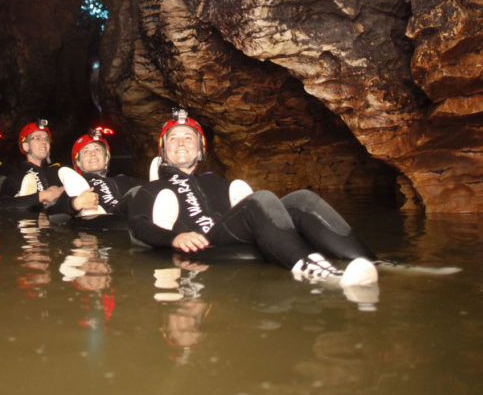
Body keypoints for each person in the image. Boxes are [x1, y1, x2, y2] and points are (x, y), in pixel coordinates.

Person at [126, 108, 379, 290]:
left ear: (200, 149)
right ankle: (316, 271)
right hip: (205, 247)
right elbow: (138, 226)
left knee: (302, 199)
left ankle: (370, 261)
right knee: (262, 199)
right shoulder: (153, 188)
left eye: (188, 137)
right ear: (163, 149)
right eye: (173, 138)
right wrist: (175, 238)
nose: (181, 143)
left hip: (231, 234)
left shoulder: (217, 182)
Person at [58, 128, 142, 219]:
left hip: (129, 222)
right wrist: (75, 203)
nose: (93, 154)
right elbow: (53, 210)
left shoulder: (123, 180)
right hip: (100, 225)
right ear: (78, 162)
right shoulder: (74, 185)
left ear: (106, 158)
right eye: (86, 151)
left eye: (97, 150)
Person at [7, 119, 65, 209]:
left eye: (46, 139)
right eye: (37, 138)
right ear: (26, 146)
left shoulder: (58, 171)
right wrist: (42, 196)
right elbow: (1, 204)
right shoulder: (16, 177)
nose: (44, 142)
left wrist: (63, 189)